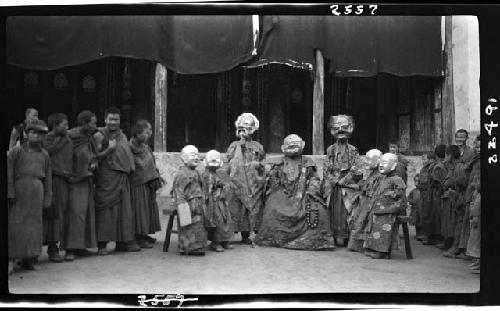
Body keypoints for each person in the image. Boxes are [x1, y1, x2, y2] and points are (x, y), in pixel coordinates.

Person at [255, 134, 335, 250]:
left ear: (302, 145)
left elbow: (314, 178)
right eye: (289, 144)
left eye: (295, 144)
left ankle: (314, 240)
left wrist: (312, 190)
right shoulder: (279, 163)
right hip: (283, 193)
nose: (292, 146)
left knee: (319, 210)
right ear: (283, 148)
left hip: (304, 193)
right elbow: (272, 180)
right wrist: (268, 178)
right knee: (271, 208)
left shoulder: (308, 162)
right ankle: (274, 239)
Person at [94, 107, 139, 255]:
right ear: (105, 120)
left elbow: (126, 155)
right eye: (111, 119)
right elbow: (94, 157)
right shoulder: (100, 135)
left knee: (123, 211)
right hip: (107, 177)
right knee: (106, 212)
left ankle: (122, 242)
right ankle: (102, 244)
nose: (113, 122)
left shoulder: (122, 136)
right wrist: (109, 150)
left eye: (116, 119)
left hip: (122, 177)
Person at [8, 119, 52, 273]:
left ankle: (30, 260)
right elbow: (9, 173)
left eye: (41, 134)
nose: (37, 136)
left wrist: (47, 198)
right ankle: (12, 259)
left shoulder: (45, 154)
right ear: (26, 133)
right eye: (34, 132)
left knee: (34, 227)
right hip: (20, 192)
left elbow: (48, 178)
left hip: (37, 192)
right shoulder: (17, 151)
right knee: (16, 226)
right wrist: (11, 192)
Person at [63, 110, 98, 261]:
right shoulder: (70, 136)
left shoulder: (88, 137)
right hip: (74, 181)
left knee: (86, 213)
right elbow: (63, 157)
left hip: (86, 179)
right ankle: (70, 249)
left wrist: (93, 163)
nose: (96, 127)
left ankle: (82, 246)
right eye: (93, 123)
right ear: (83, 123)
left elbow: (92, 154)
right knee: (75, 214)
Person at [323, 115, 363, 246]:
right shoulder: (330, 149)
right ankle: (332, 237)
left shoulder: (353, 150)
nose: (340, 131)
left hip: (347, 188)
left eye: (344, 127)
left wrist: (344, 180)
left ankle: (346, 238)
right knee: (332, 212)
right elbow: (326, 168)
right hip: (333, 188)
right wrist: (333, 180)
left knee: (347, 212)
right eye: (337, 128)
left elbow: (357, 169)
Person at [226, 113, 266, 245]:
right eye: (242, 127)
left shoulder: (257, 146)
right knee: (237, 207)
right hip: (237, 181)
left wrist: (259, 165)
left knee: (254, 207)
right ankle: (236, 234)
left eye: (248, 127)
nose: (244, 130)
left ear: (253, 129)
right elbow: (228, 159)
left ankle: (251, 233)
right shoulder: (234, 144)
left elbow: (262, 161)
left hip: (253, 181)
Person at [363, 153, 407, 259]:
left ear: (393, 166)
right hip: (378, 210)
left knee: (383, 226)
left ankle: (382, 251)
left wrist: (388, 196)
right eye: (381, 162)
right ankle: (373, 247)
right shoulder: (382, 178)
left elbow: (399, 194)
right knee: (372, 226)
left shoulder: (397, 179)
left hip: (389, 211)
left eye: (385, 162)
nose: (381, 165)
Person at [42, 113, 72, 263]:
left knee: (62, 214)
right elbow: (49, 152)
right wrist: (62, 139)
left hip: (66, 180)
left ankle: (59, 246)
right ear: (55, 126)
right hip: (53, 180)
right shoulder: (47, 139)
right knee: (53, 214)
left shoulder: (68, 138)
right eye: (64, 125)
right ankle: (52, 249)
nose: (67, 128)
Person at [444, 134, 480, 259]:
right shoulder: (460, 165)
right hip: (460, 197)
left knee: (461, 224)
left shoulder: (459, 166)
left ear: (449, 156)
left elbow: (463, 181)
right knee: (459, 223)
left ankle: (458, 249)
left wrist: (452, 182)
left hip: (463, 197)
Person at [129, 120, 163, 248]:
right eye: (146, 132)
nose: (149, 134)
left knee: (148, 210)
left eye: (150, 132)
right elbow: (135, 166)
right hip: (137, 184)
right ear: (137, 134)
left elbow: (150, 163)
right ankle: (138, 236)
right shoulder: (129, 147)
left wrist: (154, 175)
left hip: (148, 183)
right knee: (139, 211)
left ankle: (144, 234)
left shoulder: (145, 147)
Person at [172, 145, 207, 255]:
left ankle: (199, 247)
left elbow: (202, 186)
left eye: (197, 155)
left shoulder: (197, 172)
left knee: (199, 225)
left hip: (198, 203)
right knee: (188, 225)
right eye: (193, 155)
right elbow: (179, 192)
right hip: (187, 204)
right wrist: (182, 206)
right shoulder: (181, 174)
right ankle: (187, 247)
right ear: (184, 158)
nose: (196, 157)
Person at [347, 149, 382, 253]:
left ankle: (366, 246)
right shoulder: (373, 173)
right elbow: (365, 185)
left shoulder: (380, 175)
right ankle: (358, 245)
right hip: (365, 202)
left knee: (363, 222)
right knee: (357, 221)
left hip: (371, 204)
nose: (366, 162)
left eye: (368, 159)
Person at [202, 150, 235, 252]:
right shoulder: (205, 175)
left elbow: (220, 183)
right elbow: (206, 191)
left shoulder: (216, 174)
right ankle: (215, 242)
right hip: (212, 202)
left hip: (220, 201)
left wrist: (225, 186)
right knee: (217, 221)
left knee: (227, 219)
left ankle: (225, 241)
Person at [438, 145, 462, 251]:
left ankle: (452, 245)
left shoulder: (458, 166)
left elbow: (453, 181)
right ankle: (449, 243)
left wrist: (447, 186)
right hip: (450, 196)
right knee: (448, 221)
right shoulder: (452, 166)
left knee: (452, 222)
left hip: (454, 197)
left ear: (450, 155)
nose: (445, 157)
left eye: (447, 155)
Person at [423, 145, 447, 246]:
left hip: (436, 194)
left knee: (436, 216)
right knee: (433, 215)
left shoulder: (438, 166)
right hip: (435, 193)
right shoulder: (440, 165)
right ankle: (433, 237)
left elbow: (438, 182)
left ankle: (438, 238)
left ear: (436, 155)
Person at [418, 151, 436, 244]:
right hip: (423, 193)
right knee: (423, 214)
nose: (425, 161)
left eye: (427, 159)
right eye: (424, 159)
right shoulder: (424, 168)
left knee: (428, 215)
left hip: (429, 194)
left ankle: (429, 236)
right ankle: (424, 233)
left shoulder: (432, 168)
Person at [466, 176, 480, 274]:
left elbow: (477, 207)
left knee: (477, 240)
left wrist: (475, 216)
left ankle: (479, 262)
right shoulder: (477, 193)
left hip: (478, 219)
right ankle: (477, 261)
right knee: (474, 240)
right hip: (475, 217)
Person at [407, 174, 422, 240]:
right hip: (415, 209)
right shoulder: (413, 191)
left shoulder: (423, 192)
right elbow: (409, 198)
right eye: (415, 181)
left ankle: (422, 235)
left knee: (421, 222)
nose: (416, 183)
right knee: (416, 222)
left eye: (418, 181)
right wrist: (411, 201)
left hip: (422, 209)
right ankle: (417, 234)